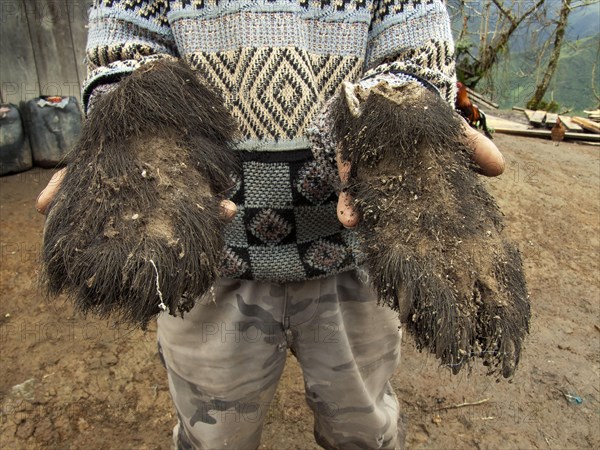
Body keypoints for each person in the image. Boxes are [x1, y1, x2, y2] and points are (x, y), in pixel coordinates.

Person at [37, 1, 504, 448]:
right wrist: (137, 112)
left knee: (364, 429)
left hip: (351, 256)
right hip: (209, 256)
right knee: (214, 434)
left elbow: (416, 48)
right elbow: (123, 44)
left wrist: (400, 110)